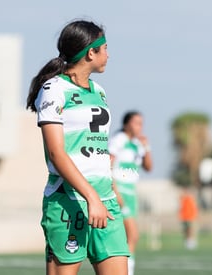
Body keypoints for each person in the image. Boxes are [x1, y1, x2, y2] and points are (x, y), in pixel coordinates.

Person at [26, 19, 130, 275]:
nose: (108, 54)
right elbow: (56, 153)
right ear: (90, 52)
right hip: (68, 202)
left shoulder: (99, 91)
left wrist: (106, 193)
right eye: (104, 48)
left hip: (105, 202)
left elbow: (100, 151)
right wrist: (90, 197)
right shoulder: (53, 89)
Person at [108, 111, 153, 275]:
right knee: (132, 235)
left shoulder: (138, 144)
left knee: (129, 237)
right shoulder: (118, 139)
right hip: (119, 191)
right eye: (136, 123)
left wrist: (147, 147)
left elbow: (148, 167)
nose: (139, 127)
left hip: (131, 192)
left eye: (141, 123)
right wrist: (115, 192)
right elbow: (108, 165)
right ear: (126, 124)